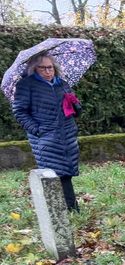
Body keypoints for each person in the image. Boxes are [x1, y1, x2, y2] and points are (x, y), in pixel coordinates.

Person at [11, 53, 81, 211]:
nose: (48, 71)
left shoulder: (62, 84)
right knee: (53, 174)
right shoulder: (26, 85)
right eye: (43, 68)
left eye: (50, 68)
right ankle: (62, 210)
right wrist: (37, 130)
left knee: (66, 173)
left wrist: (76, 105)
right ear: (34, 69)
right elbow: (20, 111)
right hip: (45, 136)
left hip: (67, 135)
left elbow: (73, 109)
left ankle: (69, 209)